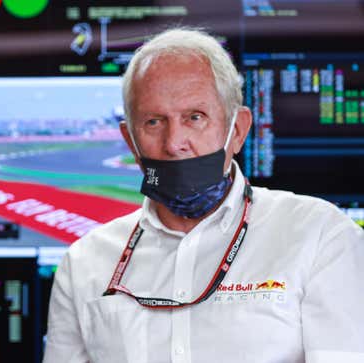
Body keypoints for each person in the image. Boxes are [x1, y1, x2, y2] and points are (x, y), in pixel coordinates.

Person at [43, 27, 364, 363]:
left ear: (236, 130)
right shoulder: (84, 264)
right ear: (130, 142)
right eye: (153, 122)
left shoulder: (320, 237)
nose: (173, 142)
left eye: (195, 118)